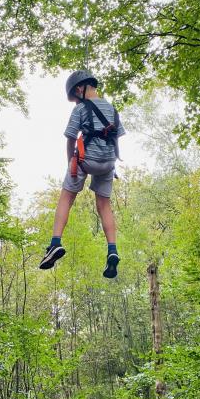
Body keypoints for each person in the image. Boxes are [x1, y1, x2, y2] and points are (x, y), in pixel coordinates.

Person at [39, 70, 125, 278]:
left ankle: (54, 244)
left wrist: (71, 163)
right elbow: (116, 137)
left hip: (86, 161)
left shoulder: (80, 110)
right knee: (104, 205)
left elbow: (70, 138)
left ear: (79, 89)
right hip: (108, 162)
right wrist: (111, 164)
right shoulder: (113, 109)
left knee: (66, 198)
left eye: (74, 99)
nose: (75, 103)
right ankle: (112, 250)